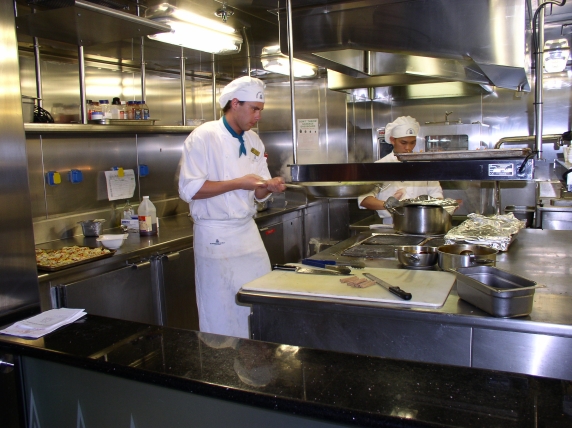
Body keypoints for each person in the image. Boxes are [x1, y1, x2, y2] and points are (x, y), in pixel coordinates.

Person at [178, 76, 286, 338]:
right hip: (215, 234)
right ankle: (222, 359)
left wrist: (268, 186)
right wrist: (239, 182)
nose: (258, 116)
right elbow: (190, 190)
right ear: (235, 103)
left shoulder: (253, 141)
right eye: (254, 109)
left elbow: (258, 191)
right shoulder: (204, 136)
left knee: (259, 298)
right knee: (221, 308)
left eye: (261, 110)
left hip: (247, 232)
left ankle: (258, 356)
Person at [358, 116, 443, 222]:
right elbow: (364, 199)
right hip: (392, 223)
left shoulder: (424, 165)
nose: (408, 148)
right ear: (392, 140)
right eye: (403, 143)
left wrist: (442, 206)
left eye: (412, 142)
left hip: (422, 221)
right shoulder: (380, 166)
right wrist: (387, 205)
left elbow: (436, 195)